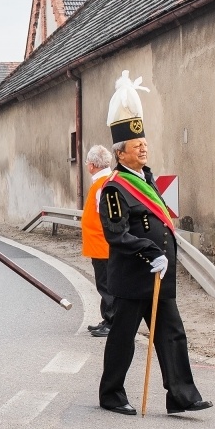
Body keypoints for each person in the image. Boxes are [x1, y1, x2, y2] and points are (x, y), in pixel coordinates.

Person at [98, 71, 212, 416]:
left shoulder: (146, 179)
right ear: (122, 152)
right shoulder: (115, 188)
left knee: (172, 335)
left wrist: (162, 255)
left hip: (159, 277)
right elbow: (115, 234)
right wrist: (150, 251)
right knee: (122, 340)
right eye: (137, 145)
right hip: (134, 277)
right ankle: (112, 394)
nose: (144, 148)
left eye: (145, 143)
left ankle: (181, 394)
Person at [82, 145, 114, 338]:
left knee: (106, 285)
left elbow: (106, 216)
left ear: (92, 165)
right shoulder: (106, 181)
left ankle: (112, 322)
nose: (87, 165)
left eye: (87, 162)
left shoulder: (102, 184)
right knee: (105, 284)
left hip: (102, 244)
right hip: (102, 244)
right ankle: (107, 318)